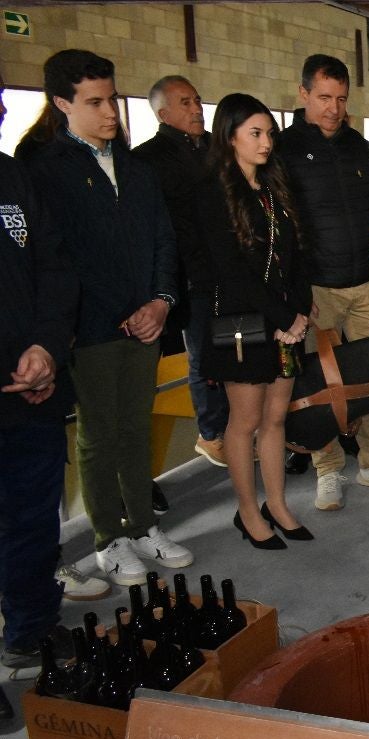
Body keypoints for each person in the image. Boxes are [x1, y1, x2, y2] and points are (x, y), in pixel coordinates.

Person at [24, 50, 192, 586]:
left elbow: (165, 240)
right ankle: (109, 540)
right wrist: (118, 311)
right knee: (99, 437)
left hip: (147, 323)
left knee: (134, 428)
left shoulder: (137, 170)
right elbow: (58, 259)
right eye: (94, 102)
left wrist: (161, 300)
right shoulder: (45, 173)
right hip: (92, 328)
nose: (110, 112)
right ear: (61, 104)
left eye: (112, 99)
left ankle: (143, 526)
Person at [276, 54, 369, 512]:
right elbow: (279, 226)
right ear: (304, 94)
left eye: (341, 98)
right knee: (317, 383)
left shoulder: (358, 145)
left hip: (366, 282)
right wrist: (295, 293)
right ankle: (327, 468)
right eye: (324, 97)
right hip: (317, 289)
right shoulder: (285, 149)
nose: (333, 108)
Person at [195, 93, 313, 550]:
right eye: (255, 134)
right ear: (229, 137)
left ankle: (277, 504)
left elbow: (300, 252)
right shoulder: (214, 193)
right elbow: (231, 272)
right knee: (244, 422)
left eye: (269, 133)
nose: (266, 143)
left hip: (286, 322)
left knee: (276, 419)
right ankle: (248, 511)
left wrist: (299, 312)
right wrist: (285, 316)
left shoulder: (275, 187)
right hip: (241, 324)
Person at [0, 97, 80, 669]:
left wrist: (46, 348)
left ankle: (31, 626)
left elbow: (53, 267)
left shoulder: (12, 176)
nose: (2, 110)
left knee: (32, 516)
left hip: (32, 387)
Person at [133, 75, 229, 469]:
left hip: (224, 269)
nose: (196, 109)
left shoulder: (213, 149)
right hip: (187, 277)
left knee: (232, 349)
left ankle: (236, 426)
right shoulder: (147, 159)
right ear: (163, 113)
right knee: (202, 356)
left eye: (198, 100)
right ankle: (211, 434)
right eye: (185, 103)